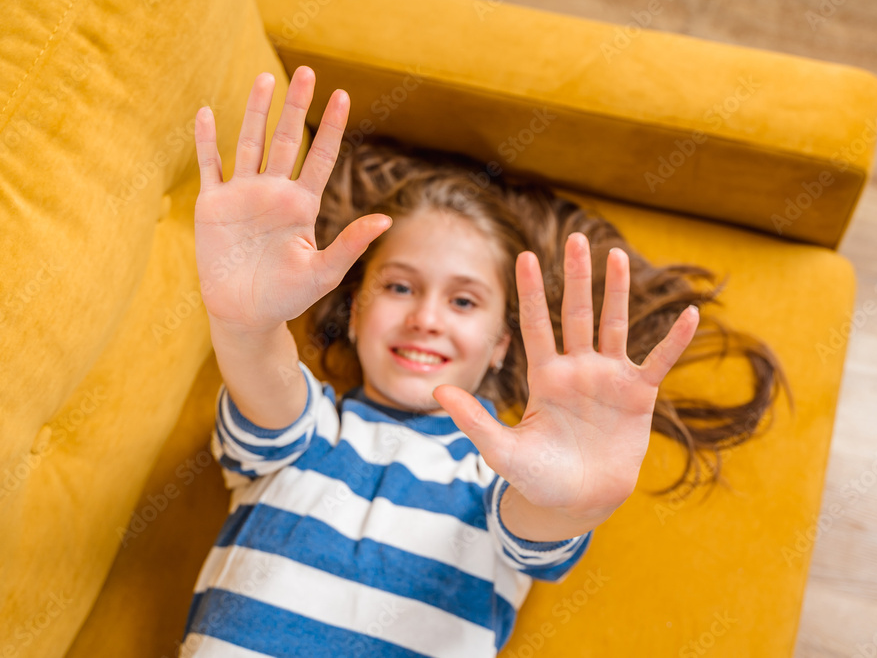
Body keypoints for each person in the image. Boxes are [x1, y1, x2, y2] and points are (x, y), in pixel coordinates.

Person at [180, 65, 786, 657]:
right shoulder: (309, 429)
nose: (426, 317)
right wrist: (247, 323)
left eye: (464, 301)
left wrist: (567, 500)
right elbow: (265, 379)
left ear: (501, 344)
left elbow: (531, 525)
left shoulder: (503, 474)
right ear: (355, 311)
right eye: (399, 287)